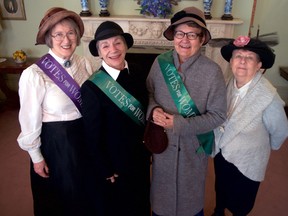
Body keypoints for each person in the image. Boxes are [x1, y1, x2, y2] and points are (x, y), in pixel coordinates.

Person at [146, 7, 227, 216]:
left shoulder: (213, 72)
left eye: (192, 35)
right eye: (180, 33)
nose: (184, 40)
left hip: (194, 149)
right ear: (173, 36)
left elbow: (218, 115)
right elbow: (148, 93)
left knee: (190, 207)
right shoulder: (159, 63)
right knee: (161, 205)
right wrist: (153, 109)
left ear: (201, 39)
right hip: (162, 147)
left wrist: (180, 124)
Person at [17, 7, 98, 216]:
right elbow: (28, 119)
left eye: (71, 33)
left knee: (86, 194)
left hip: (85, 139)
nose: (66, 39)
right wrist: (36, 157)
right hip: (57, 145)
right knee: (61, 200)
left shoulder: (86, 63)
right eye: (58, 34)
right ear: (49, 38)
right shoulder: (34, 74)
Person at [211, 36, 288, 216]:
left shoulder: (269, 97)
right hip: (223, 152)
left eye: (250, 58)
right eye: (238, 56)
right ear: (231, 62)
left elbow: (280, 130)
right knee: (220, 187)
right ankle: (218, 210)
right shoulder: (228, 82)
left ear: (259, 65)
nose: (243, 62)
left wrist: (267, 146)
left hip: (248, 159)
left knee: (242, 201)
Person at [80, 21, 151, 216]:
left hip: (141, 157)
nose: (113, 50)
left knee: (142, 204)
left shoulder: (139, 72)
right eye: (105, 46)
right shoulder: (92, 88)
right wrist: (105, 169)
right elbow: (91, 135)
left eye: (117, 43)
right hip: (115, 164)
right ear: (99, 52)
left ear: (126, 45)